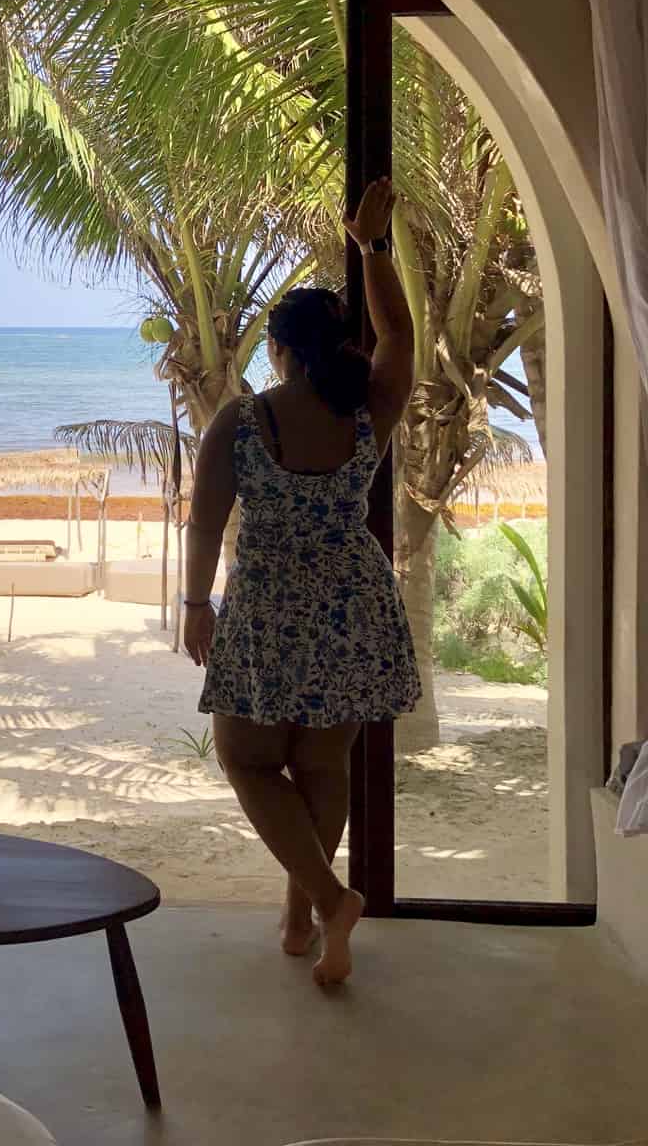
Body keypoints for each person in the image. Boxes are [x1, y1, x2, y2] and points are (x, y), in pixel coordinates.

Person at [182, 178, 421, 987]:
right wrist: (372, 248)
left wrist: (193, 605)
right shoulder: (368, 412)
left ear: (279, 350)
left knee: (248, 761)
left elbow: (207, 522)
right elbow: (400, 334)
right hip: (353, 601)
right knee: (322, 766)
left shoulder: (244, 419)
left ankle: (327, 900)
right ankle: (301, 919)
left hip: (270, 606)